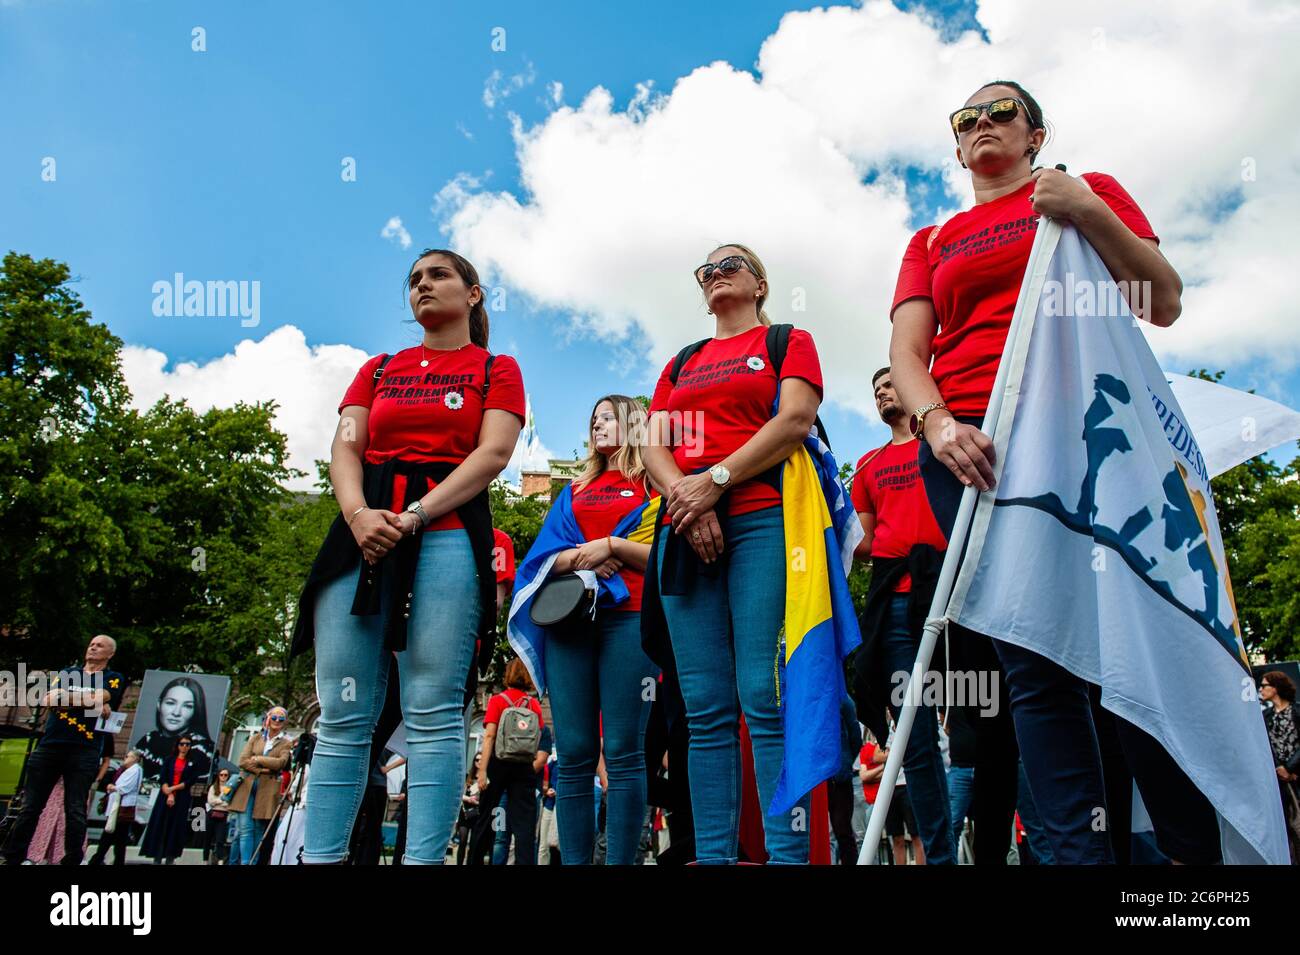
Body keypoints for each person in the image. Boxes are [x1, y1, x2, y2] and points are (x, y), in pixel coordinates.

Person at [888, 79, 1218, 865]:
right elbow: (907, 353)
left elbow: (1161, 299)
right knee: (1035, 661)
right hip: (974, 447)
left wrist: (1084, 209)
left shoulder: (1085, 189)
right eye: (964, 120)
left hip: (1088, 429)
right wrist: (935, 422)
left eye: (998, 111)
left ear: (1035, 134)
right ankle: (1076, 854)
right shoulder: (932, 240)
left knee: (1130, 647)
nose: (980, 126)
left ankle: (1190, 865)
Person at [293, 248, 524, 865]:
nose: (423, 286)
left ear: (473, 294)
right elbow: (346, 447)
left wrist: (419, 514)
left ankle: (422, 859)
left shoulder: (496, 368)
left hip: (445, 528)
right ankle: (319, 858)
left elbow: (493, 453)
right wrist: (359, 516)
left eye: (439, 275)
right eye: (415, 280)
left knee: (433, 705)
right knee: (343, 711)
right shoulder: (377, 369)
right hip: (362, 530)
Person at [642, 243, 825, 865]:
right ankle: (714, 855)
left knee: (761, 692)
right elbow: (654, 445)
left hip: (762, 522)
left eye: (730, 266)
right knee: (705, 708)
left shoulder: (786, 341)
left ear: (759, 283)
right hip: (685, 527)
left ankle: (787, 854)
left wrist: (715, 480)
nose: (717, 276)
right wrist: (685, 501)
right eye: (707, 271)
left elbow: (795, 418)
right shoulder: (682, 361)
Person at [531, 394, 659, 865]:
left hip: (630, 620)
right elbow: (544, 559)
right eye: (594, 419)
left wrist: (614, 548)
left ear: (633, 423)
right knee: (576, 752)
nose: (598, 425)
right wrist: (585, 556)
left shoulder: (653, 484)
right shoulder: (574, 490)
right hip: (571, 624)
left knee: (624, 751)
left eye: (609, 417)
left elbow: (666, 556)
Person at [848, 366, 955, 864]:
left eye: (890, 383)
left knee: (989, 720)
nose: (882, 393)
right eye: (875, 390)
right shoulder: (868, 466)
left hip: (956, 591)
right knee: (913, 732)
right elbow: (864, 544)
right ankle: (940, 857)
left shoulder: (946, 441)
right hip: (894, 600)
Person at [1, 634, 127, 867]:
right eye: (91, 644)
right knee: (31, 806)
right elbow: (50, 698)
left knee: (75, 808)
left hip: (84, 750)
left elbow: (105, 695)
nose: (93, 647)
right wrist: (91, 700)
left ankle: (71, 859)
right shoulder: (68, 672)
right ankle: (13, 856)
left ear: (110, 654)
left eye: (99, 646)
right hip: (50, 746)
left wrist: (69, 699)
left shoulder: (113, 677)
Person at [467, 659, 546, 865]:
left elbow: (489, 736)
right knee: (524, 827)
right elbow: (538, 734)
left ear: (508, 675)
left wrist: (482, 771)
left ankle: (475, 859)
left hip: (498, 763)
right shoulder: (534, 704)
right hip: (524, 767)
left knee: (485, 820)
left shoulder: (498, 700)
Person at [229, 707, 293, 865]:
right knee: (245, 829)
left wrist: (257, 759)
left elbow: (281, 763)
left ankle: (254, 861)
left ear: (285, 723)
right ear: (268, 718)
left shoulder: (285, 743)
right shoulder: (256, 738)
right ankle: (245, 863)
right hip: (247, 786)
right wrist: (264, 769)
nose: (277, 721)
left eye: (281, 719)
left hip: (267, 789)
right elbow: (243, 761)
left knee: (258, 830)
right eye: (274, 717)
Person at [134, 676, 215, 782]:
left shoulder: (202, 749)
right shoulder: (148, 739)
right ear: (159, 704)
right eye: (170, 703)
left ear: (196, 711)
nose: (176, 713)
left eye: (187, 706)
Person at [140, 735, 202, 864]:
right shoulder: (169, 760)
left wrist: (174, 789)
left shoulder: (193, 762)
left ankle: (170, 857)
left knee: (175, 827)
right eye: (182, 744)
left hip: (181, 797)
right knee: (160, 824)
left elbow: (190, 780)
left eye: (188, 744)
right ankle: (156, 857)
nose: (185, 747)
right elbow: (163, 777)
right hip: (165, 796)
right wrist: (168, 792)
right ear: (178, 745)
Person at [1260, 671, 1300, 863]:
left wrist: (1291, 769)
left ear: (1275, 688)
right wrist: (1279, 768)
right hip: (1278, 780)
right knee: (1285, 827)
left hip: (1296, 776)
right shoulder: (1265, 716)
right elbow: (1265, 744)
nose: (1260, 689)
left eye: (1264, 685)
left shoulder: (1297, 711)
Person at [89, 749, 144, 866]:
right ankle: (106, 860)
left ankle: (96, 860)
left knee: (110, 836)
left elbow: (125, 787)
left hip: (122, 808)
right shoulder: (125, 769)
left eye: (127, 756)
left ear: (134, 759)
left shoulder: (135, 770)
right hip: (117, 807)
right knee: (118, 839)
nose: (125, 758)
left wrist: (112, 787)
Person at [204, 768, 233, 864]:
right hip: (212, 814)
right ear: (218, 776)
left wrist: (218, 801)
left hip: (223, 815)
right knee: (207, 838)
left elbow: (229, 803)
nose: (223, 777)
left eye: (225, 775)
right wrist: (222, 801)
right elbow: (210, 801)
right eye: (221, 774)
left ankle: (220, 859)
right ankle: (205, 859)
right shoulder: (213, 787)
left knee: (220, 839)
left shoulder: (230, 788)